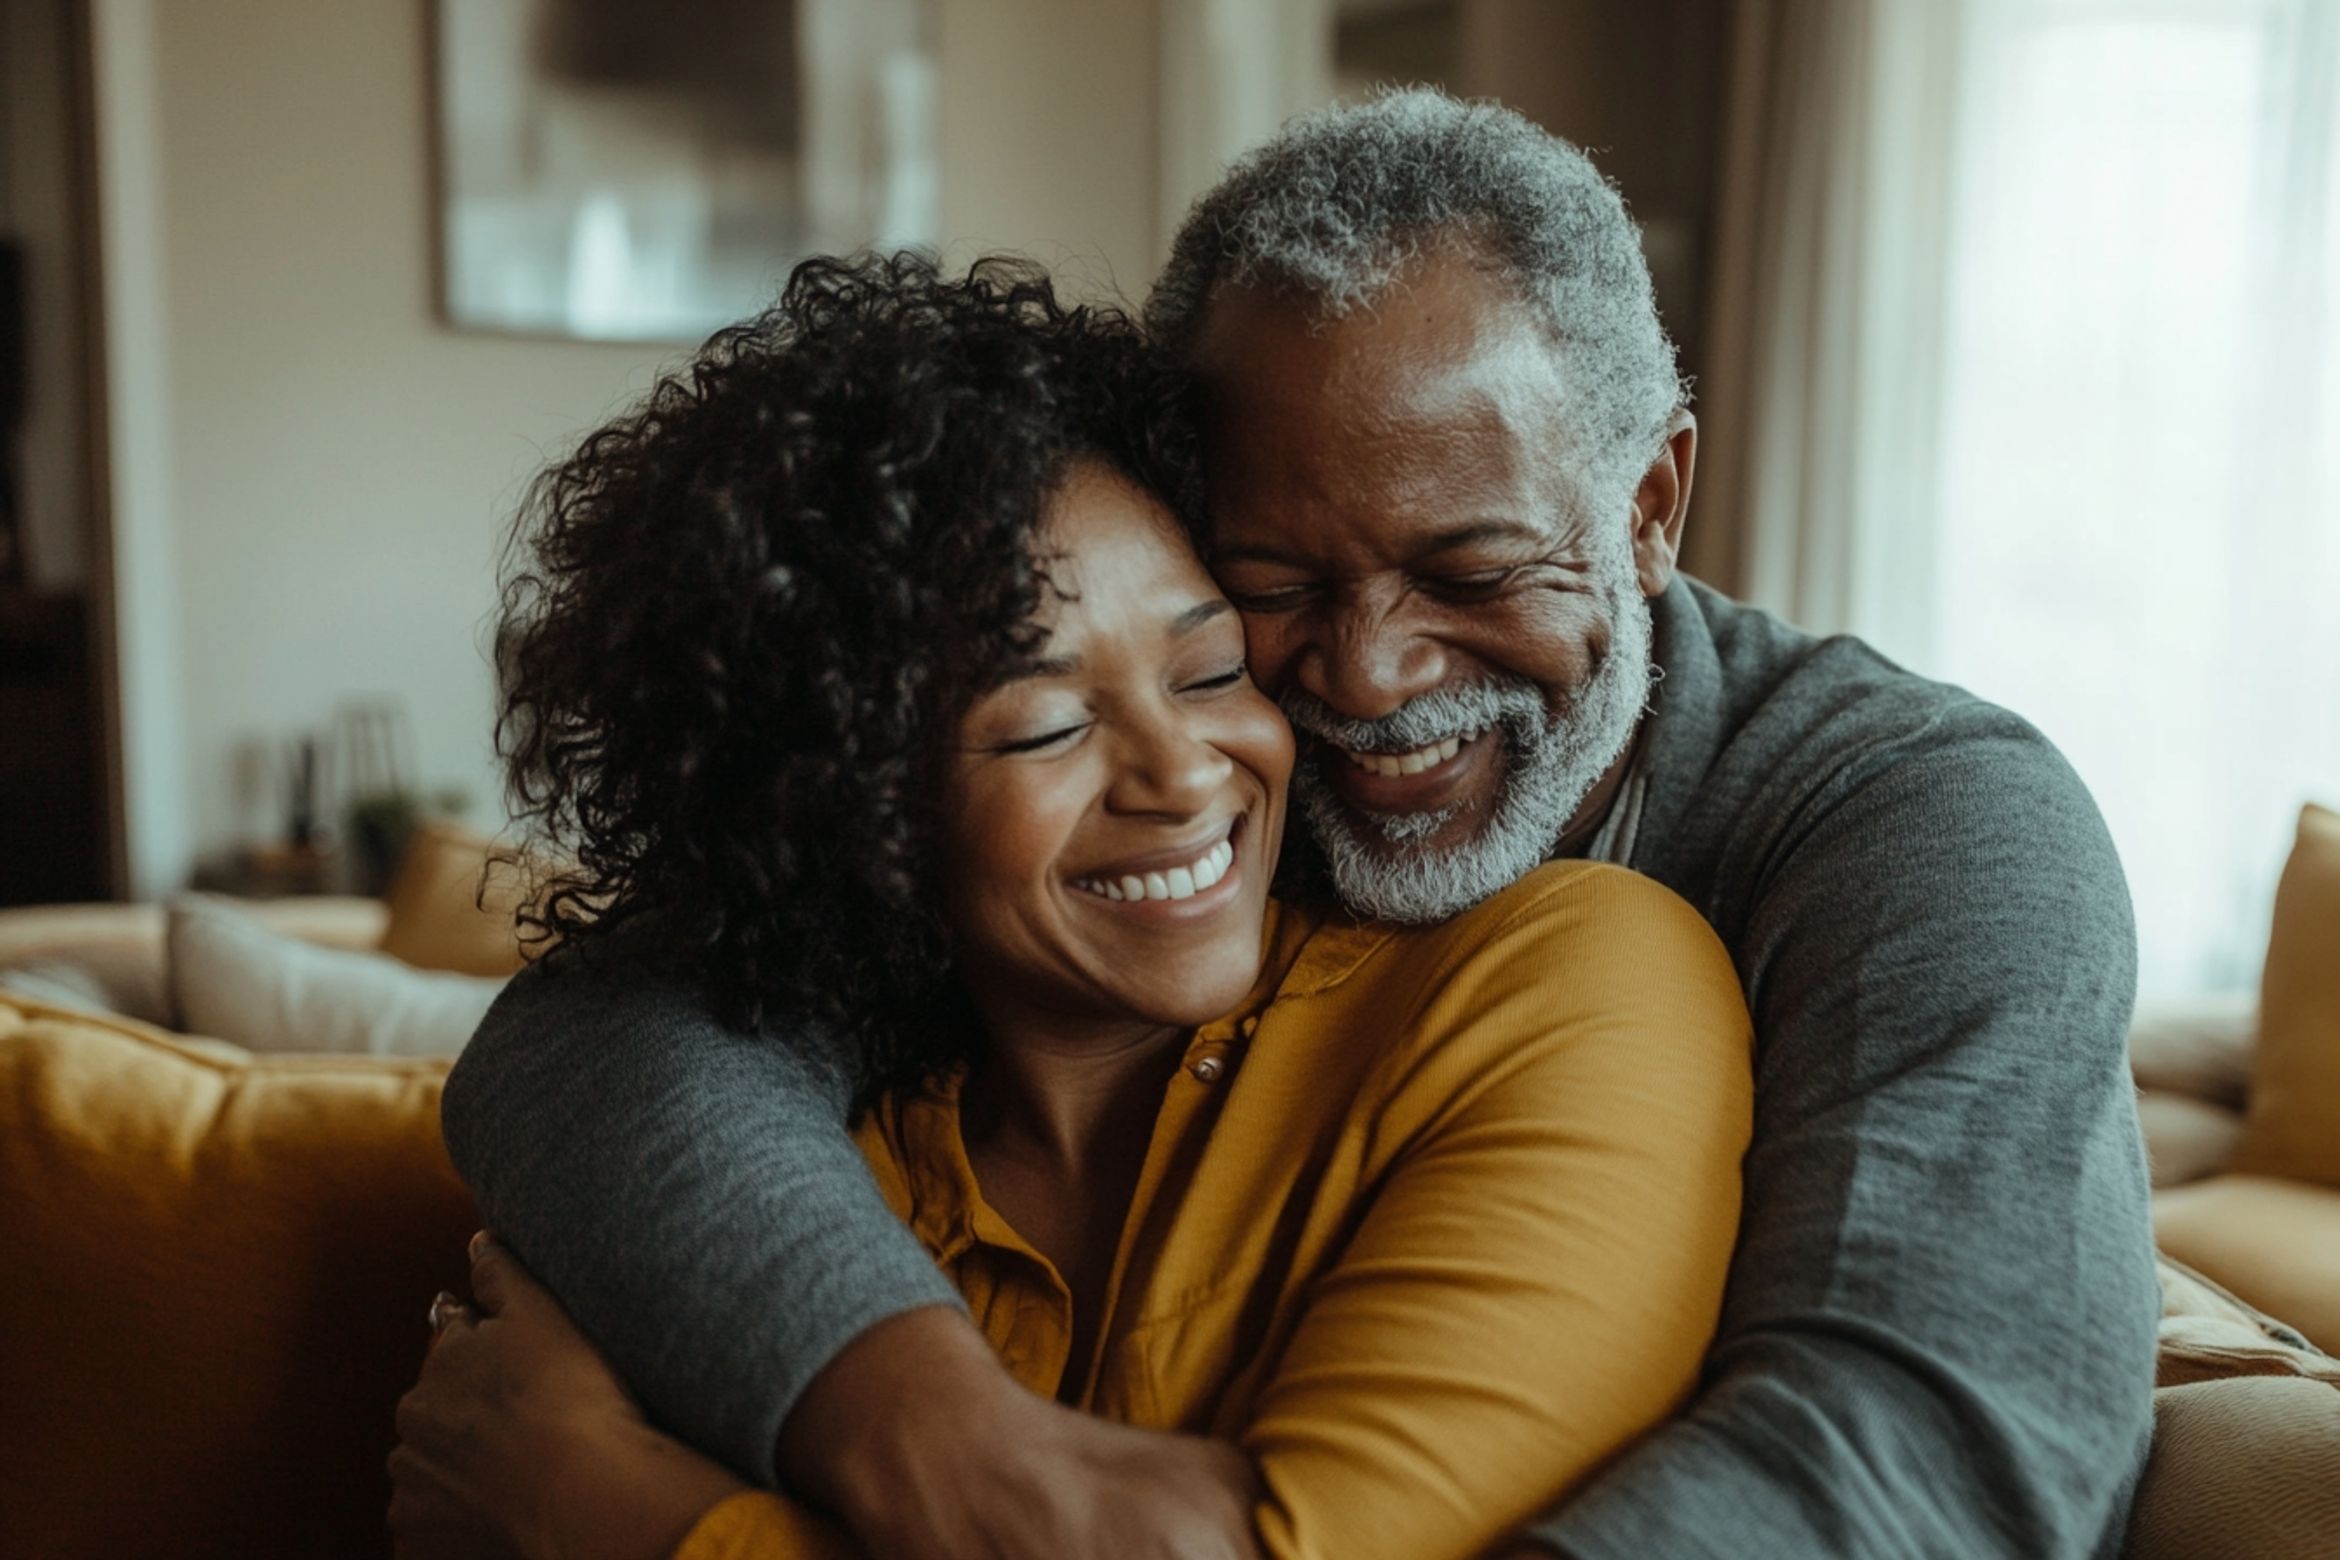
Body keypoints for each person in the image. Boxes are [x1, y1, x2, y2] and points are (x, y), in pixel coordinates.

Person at [434, 90, 2162, 1559]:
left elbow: (1929, 1451)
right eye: (1271, 585)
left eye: (1473, 570)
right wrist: (932, 1424)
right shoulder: (1210, 778)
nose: (1371, 675)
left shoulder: (1922, 825)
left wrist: (669, 1528)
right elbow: (601, 1032)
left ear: (1650, 507)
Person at [390, 250, 1754, 1560]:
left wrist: (638, 1525)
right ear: (856, 805)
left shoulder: (1561, 989)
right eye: (1044, 728)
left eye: (1214, 670)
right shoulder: (765, 1191)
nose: (1179, 772)